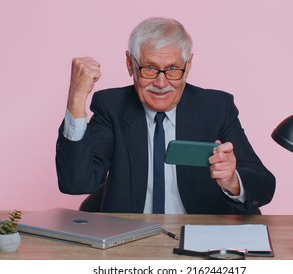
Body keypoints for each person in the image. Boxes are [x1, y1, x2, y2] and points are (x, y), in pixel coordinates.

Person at [55, 17, 275, 214]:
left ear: (188, 65)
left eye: (172, 69)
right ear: (130, 64)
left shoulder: (217, 107)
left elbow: (264, 185)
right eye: (149, 69)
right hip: (130, 241)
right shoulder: (111, 107)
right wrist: (76, 98)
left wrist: (232, 180)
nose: (161, 83)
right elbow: (76, 183)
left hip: (201, 239)